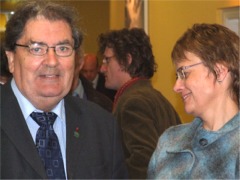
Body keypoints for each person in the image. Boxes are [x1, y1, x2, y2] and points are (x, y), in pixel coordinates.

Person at [0, 1, 128, 179]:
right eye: (37, 48)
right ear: (11, 59)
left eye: (63, 48)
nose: (52, 61)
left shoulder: (103, 126)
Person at [147, 23, 239, 179]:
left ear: (219, 71)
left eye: (184, 73)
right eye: (177, 76)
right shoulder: (170, 142)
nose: (176, 86)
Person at [98, 28, 181, 179]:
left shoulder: (133, 103)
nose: (102, 68)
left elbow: (143, 162)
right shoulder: (157, 98)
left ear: (127, 60)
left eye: (107, 60)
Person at [71, 47, 113, 112]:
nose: (88, 74)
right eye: (85, 71)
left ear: (80, 63)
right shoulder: (51, 100)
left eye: (91, 71)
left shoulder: (104, 103)